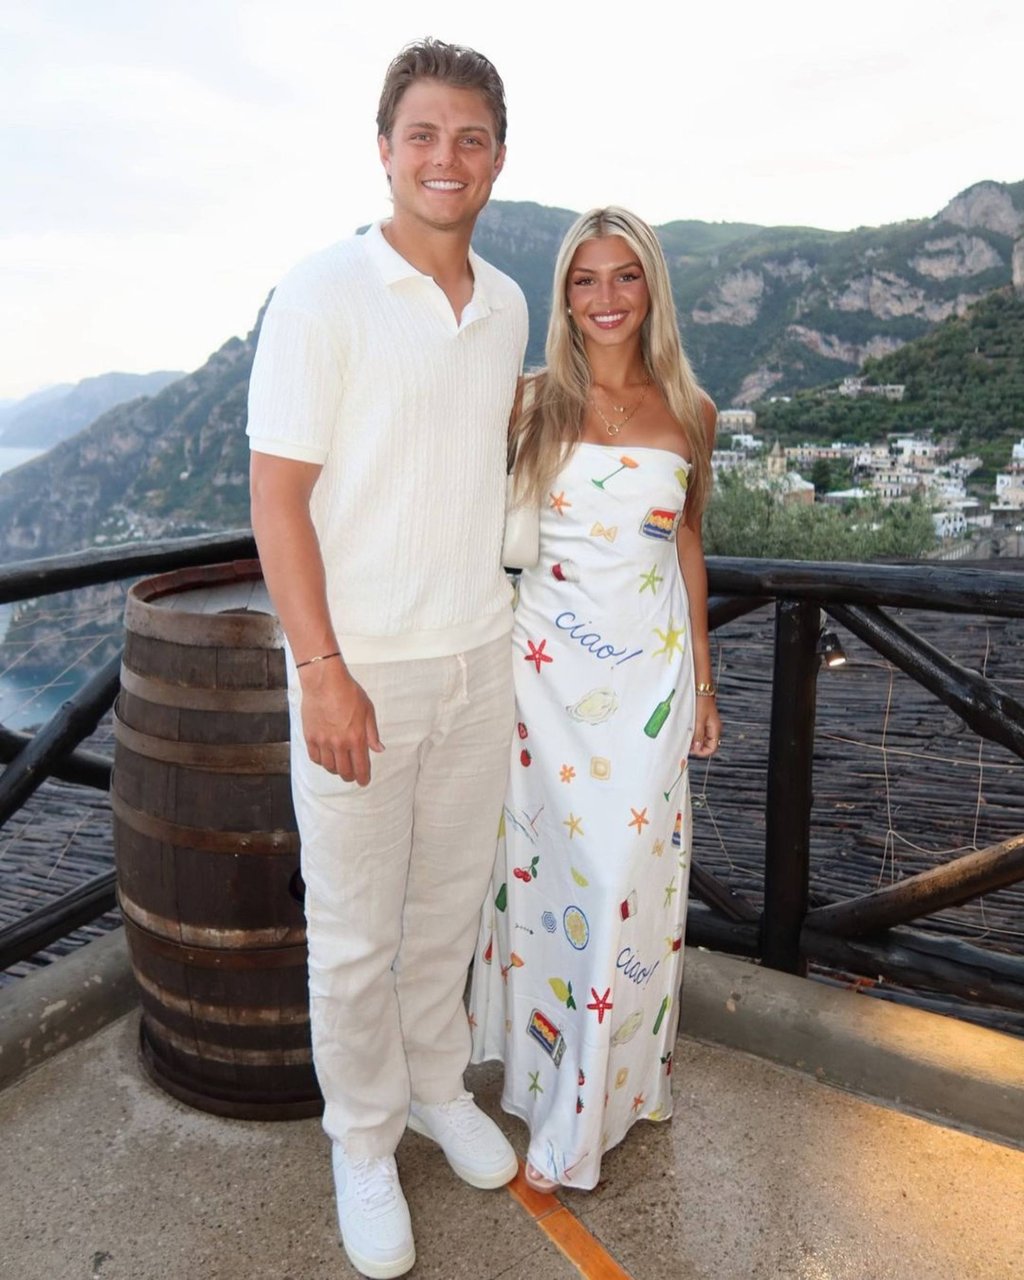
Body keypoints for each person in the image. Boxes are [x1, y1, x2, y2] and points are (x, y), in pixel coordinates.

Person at [247, 38, 527, 1280]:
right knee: (354, 930)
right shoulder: (322, 293)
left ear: (497, 157)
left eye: (469, 136)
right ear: (383, 149)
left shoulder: (511, 302)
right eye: (423, 134)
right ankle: (360, 1136)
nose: (445, 157)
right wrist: (320, 666)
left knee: (443, 906)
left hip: (479, 657)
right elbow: (276, 499)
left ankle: (429, 1086)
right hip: (363, 671)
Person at [469, 206, 721, 1193]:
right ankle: (544, 1077)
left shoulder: (690, 408)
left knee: (625, 877)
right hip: (542, 681)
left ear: (650, 288)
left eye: (625, 277)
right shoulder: (527, 403)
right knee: (550, 885)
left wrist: (701, 675)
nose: (606, 297)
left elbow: (686, 540)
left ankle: (596, 1099)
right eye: (585, 279)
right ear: (563, 295)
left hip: (646, 686)